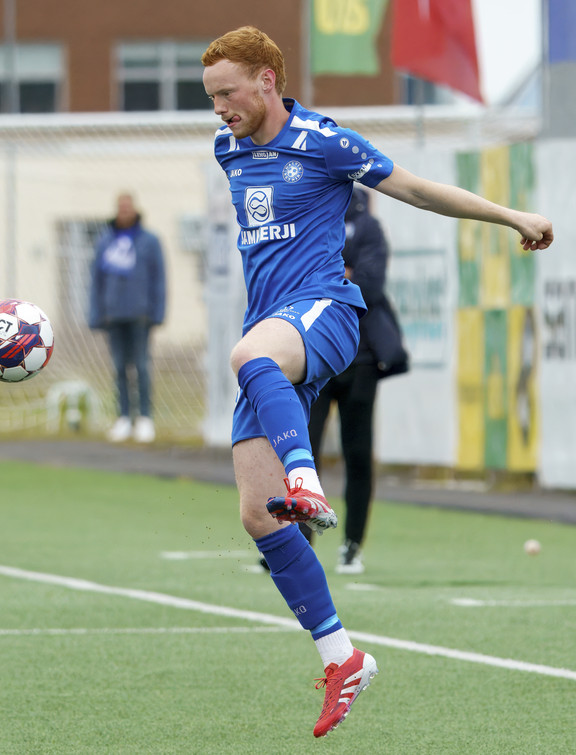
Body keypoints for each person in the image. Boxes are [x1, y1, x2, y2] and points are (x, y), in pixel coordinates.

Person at [201, 26, 552, 738]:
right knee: (257, 514)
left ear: (268, 79)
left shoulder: (323, 141)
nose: (219, 109)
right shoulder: (227, 149)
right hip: (273, 329)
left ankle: (307, 479)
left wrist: (509, 215)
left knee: (248, 358)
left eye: (228, 93)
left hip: (326, 312)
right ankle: (343, 657)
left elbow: (416, 188)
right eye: (210, 97)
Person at [306, 186, 409, 575]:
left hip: (361, 360)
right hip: (315, 356)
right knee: (301, 453)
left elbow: (370, 284)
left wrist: (333, 275)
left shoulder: (368, 227)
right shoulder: (310, 220)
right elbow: (302, 280)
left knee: (358, 454)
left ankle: (352, 545)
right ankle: (298, 544)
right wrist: (344, 273)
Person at [88, 192, 166, 443]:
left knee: (141, 366)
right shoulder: (105, 241)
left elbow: (159, 279)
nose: (124, 211)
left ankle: (144, 418)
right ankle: (123, 417)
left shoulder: (149, 241)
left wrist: (157, 312)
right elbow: (97, 280)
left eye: (127, 206)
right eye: (120, 207)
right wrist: (97, 313)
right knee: (119, 367)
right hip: (113, 314)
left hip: (140, 314)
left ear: (134, 209)